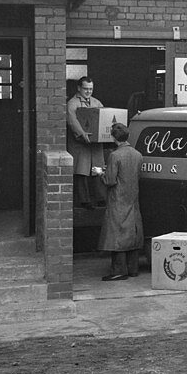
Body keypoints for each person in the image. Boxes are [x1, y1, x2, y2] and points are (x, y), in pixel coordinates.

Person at [94, 122, 144, 281]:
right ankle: (132, 269)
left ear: (114, 138)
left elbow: (110, 181)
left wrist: (100, 172)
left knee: (117, 234)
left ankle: (118, 271)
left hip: (118, 199)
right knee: (132, 232)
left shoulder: (115, 155)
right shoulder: (137, 154)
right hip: (132, 198)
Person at [66, 77, 106, 209]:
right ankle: (84, 201)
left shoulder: (97, 102)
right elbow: (72, 121)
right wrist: (83, 134)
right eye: (86, 89)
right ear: (79, 88)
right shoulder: (72, 103)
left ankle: (101, 199)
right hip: (80, 145)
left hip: (95, 145)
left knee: (97, 171)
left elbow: (105, 119)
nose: (89, 92)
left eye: (91, 89)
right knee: (81, 172)